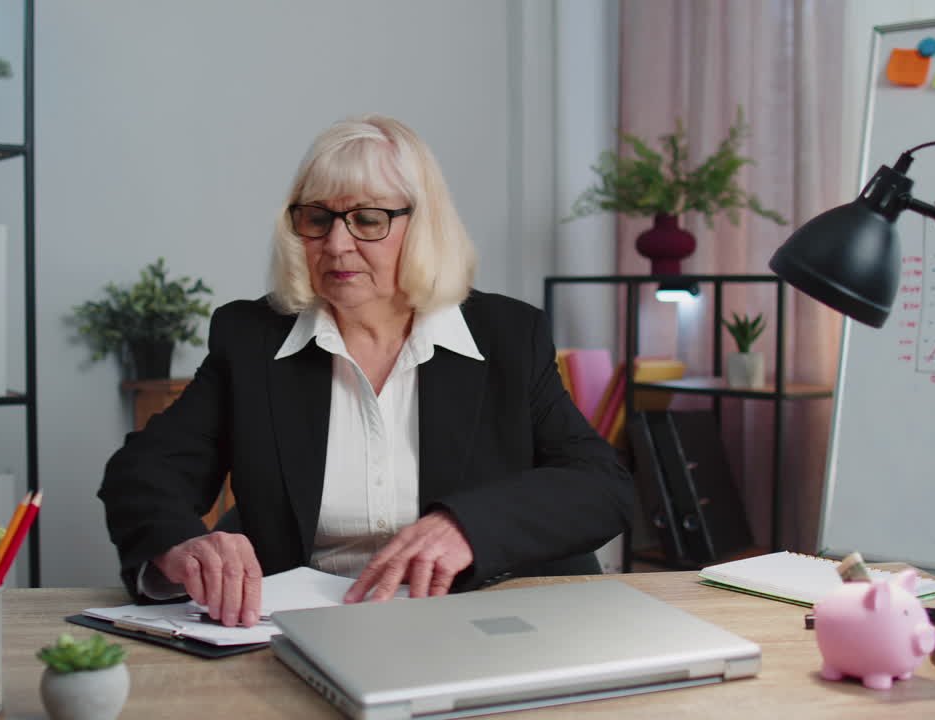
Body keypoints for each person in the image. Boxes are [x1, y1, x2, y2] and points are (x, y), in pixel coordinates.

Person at [99, 113, 633, 629]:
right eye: (317, 218)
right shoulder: (252, 339)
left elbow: (600, 485)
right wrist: (181, 545)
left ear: (422, 226)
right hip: (305, 632)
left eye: (368, 219)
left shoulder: (508, 336)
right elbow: (145, 471)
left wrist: (468, 525)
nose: (336, 245)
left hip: (481, 625)